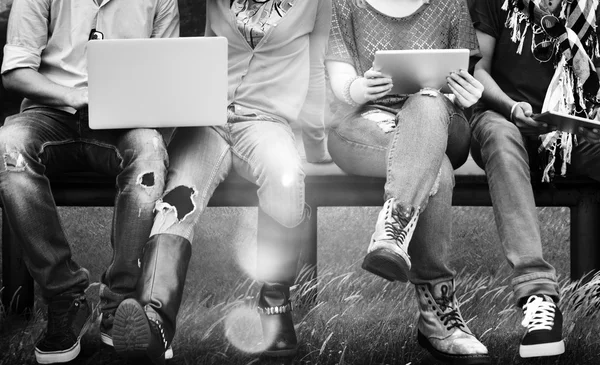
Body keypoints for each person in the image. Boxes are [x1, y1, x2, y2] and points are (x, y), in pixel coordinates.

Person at [111, 0, 332, 363]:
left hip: (266, 122)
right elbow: (203, 57)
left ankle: (275, 309)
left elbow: (316, 67)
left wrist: (316, 144)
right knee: (179, 196)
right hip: (208, 120)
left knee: (285, 176)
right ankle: (155, 319)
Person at [0, 0, 179, 363]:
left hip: (123, 121)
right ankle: (65, 297)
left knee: (148, 152)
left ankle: (120, 302)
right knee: (7, 148)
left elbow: (168, 73)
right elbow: (16, 71)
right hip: (49, 113)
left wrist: (147, 111)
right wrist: (74, 96)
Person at [326, 0, 490, 363]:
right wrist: (359, 89)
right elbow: (339, 77)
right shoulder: (346, 3)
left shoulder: (450, 4)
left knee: (428, 101)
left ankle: (393, 228)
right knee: (439, 171)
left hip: (442, 117)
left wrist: (467, 94)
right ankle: (439, 316)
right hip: (366, 123)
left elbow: (466, 74)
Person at [469, 0, 600, 358]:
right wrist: (511, 107)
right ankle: (537, 296)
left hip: (575, 131)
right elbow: (477, 69)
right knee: (500, 137)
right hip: (504, 118)